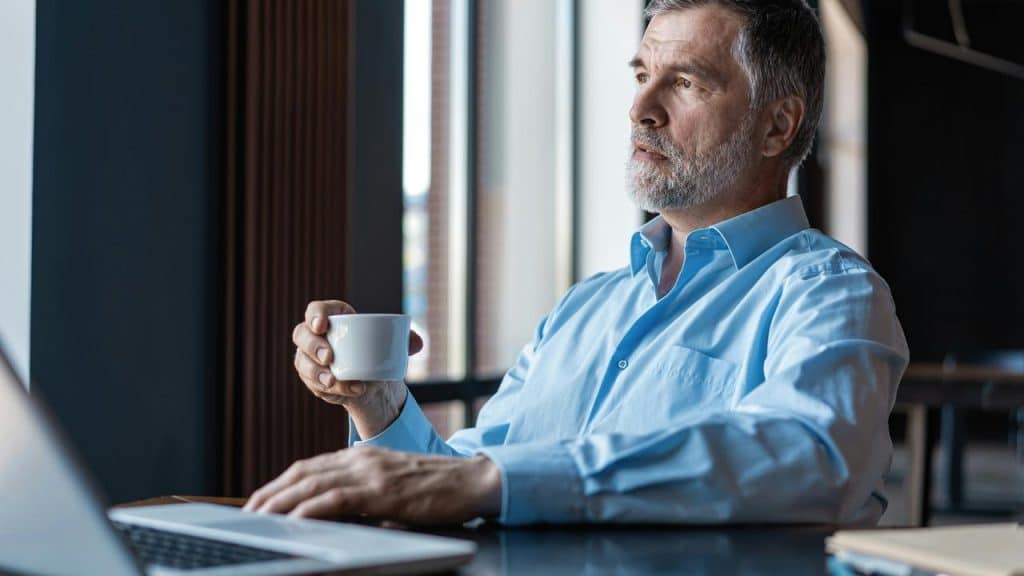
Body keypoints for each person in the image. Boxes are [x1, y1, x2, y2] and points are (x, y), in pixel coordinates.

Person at [244, 0, 909, 526]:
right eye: (643, 76)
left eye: (685, 83)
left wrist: (494, 483)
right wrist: (380, 406)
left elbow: (813, 461)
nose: (641, 110)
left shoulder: (830, 293)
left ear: (777, 126)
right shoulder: (585, 305)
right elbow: (463, 481)